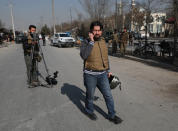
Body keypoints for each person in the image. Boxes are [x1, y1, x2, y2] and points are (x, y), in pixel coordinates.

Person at [80, 21, 123, 124]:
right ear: (91, 31)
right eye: (95, 30)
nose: (97, 32)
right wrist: (91, 41)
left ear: (101, 31)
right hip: (90, 74)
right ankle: (89, 111)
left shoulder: (103, 41)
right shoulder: (86, 41)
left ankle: (112, 115)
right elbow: (84, 56)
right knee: (90, 96)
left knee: (108, 95)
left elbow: (105, 57)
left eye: (99, 30)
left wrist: (108, 70)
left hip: (102, 74)